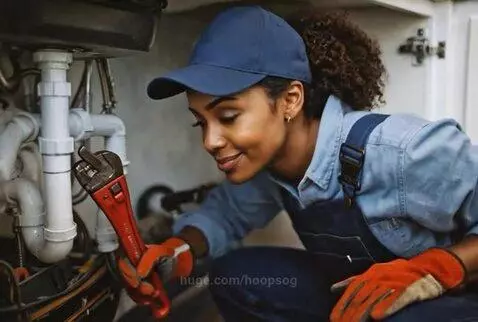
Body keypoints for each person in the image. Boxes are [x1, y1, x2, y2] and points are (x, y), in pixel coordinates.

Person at [118, 6, 478, 322]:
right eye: (201, 122)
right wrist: (178, 250)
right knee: (235, 276)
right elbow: (226, 214)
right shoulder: (273, 163)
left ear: (290, 99)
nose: (209, 141)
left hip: (453, 299)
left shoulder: (402, 150)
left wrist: (435, 269)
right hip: (354, 289)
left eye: (228, 116)